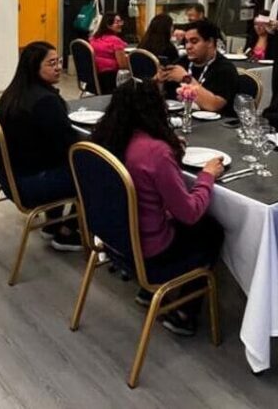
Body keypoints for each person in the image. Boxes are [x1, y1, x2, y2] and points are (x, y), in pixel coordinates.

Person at [90, 79, 224, 336]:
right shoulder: (155, 152)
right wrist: (207, 175)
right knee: (211, 229)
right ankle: (185, 311)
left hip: (114, 240)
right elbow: (189, 213)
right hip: (149, 250)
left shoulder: (106, 137)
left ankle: (146, 289)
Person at [0, 42, 83, 251]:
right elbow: (70, 145)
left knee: (58, 156)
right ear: (34, 67)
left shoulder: (13, 95)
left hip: (13, 176)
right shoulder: (45, 101)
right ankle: (67, 231)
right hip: (31, 183)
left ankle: (51, 225)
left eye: (59, 61)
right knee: (96, 171)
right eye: (51, 63)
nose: (58, 67)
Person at [158, 20, 239, 115]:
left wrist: (186, 79)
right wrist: (159, 81)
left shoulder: (225, 69)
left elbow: (214, 105)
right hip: (180, 118)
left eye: (194, 41)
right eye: (186, 42)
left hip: (213, 125)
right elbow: (163, 97)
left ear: (210, 42)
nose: (188, 46)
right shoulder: (181, 62)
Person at [89, 13, 129, 94]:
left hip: (95, 78)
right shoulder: (115, 41)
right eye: (117, 22)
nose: (120, 24)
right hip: (110, 79)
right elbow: (123, 65)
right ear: (108, 25)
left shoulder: (93, 39)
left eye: (120, 21)